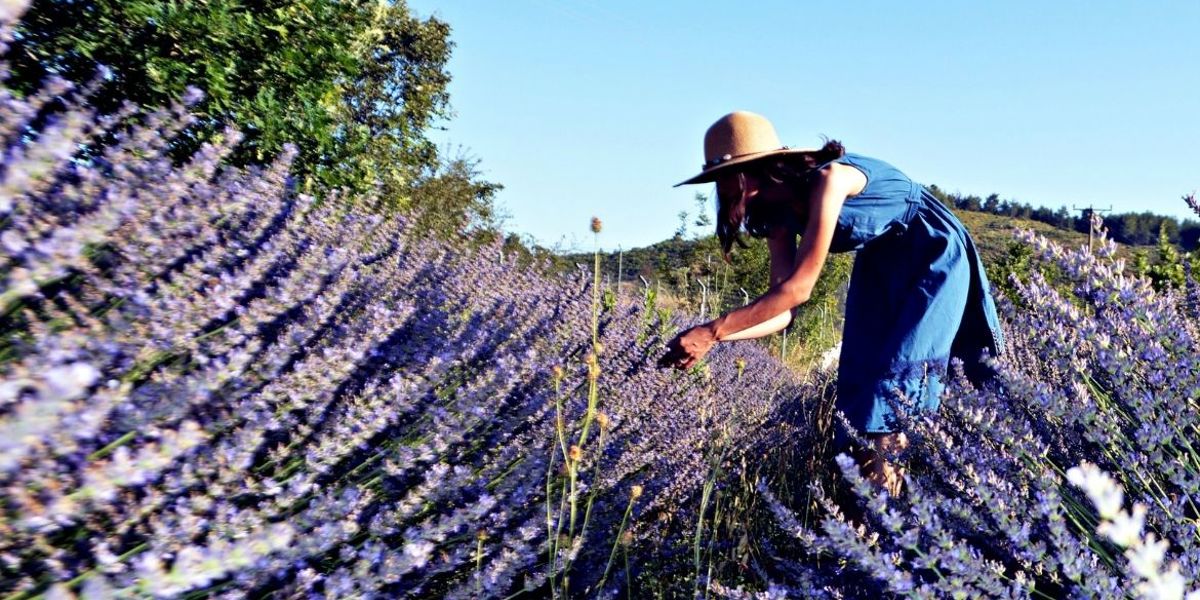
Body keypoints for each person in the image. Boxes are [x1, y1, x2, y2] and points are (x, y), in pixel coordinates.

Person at [658, 111, 1004, 495]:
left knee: (897, 389)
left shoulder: (830, 179)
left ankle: (889, 522)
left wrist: (711, 329)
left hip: (932, 255)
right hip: (880, 263)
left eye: (728, 176)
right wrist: (716, 339)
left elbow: (799, 289)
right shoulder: (774, 214)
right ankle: (868, 521)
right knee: (858, 393)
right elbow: (783, 311)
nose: (722, 189)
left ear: (761, 168)